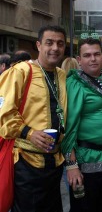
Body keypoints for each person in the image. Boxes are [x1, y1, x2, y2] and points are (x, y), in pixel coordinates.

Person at [0, 25, 67, 212]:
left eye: (60, 44)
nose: (55, 48)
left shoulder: (62, 75)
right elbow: (3, 112)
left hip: (55, 163)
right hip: (26, 163)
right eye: (49, 43)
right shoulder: (20, 71)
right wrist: (28, 133)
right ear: (38, 45)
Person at [61, 37, 102, 212]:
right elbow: (69, 126)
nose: (93, 59)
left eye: (96, 54)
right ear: (79, 60)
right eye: (87, 55)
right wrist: (71, 166)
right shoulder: (75, 83)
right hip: (86, 163)